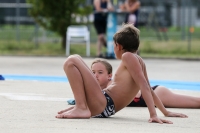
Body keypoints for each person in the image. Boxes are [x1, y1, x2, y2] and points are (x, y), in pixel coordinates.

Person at [56, 24, 187, 123]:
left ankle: (81, 107)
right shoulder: (139, 60)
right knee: (75, 59)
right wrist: (165, 111)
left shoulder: (128, 57)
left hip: (105, 103)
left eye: (113, 46)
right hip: (103, 102)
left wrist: (153, 115)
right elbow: (149, 89)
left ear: (118, 46)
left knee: (72, 60)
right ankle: (81, 106)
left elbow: (145, 87)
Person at [90, 59, 200, 108]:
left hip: (157, 94)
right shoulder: (101, 90)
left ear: (109, 75)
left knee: (195, 102)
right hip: (152, 95)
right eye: (93, 72)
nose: (95, 75)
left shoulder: (111, 86)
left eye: (100, 72)